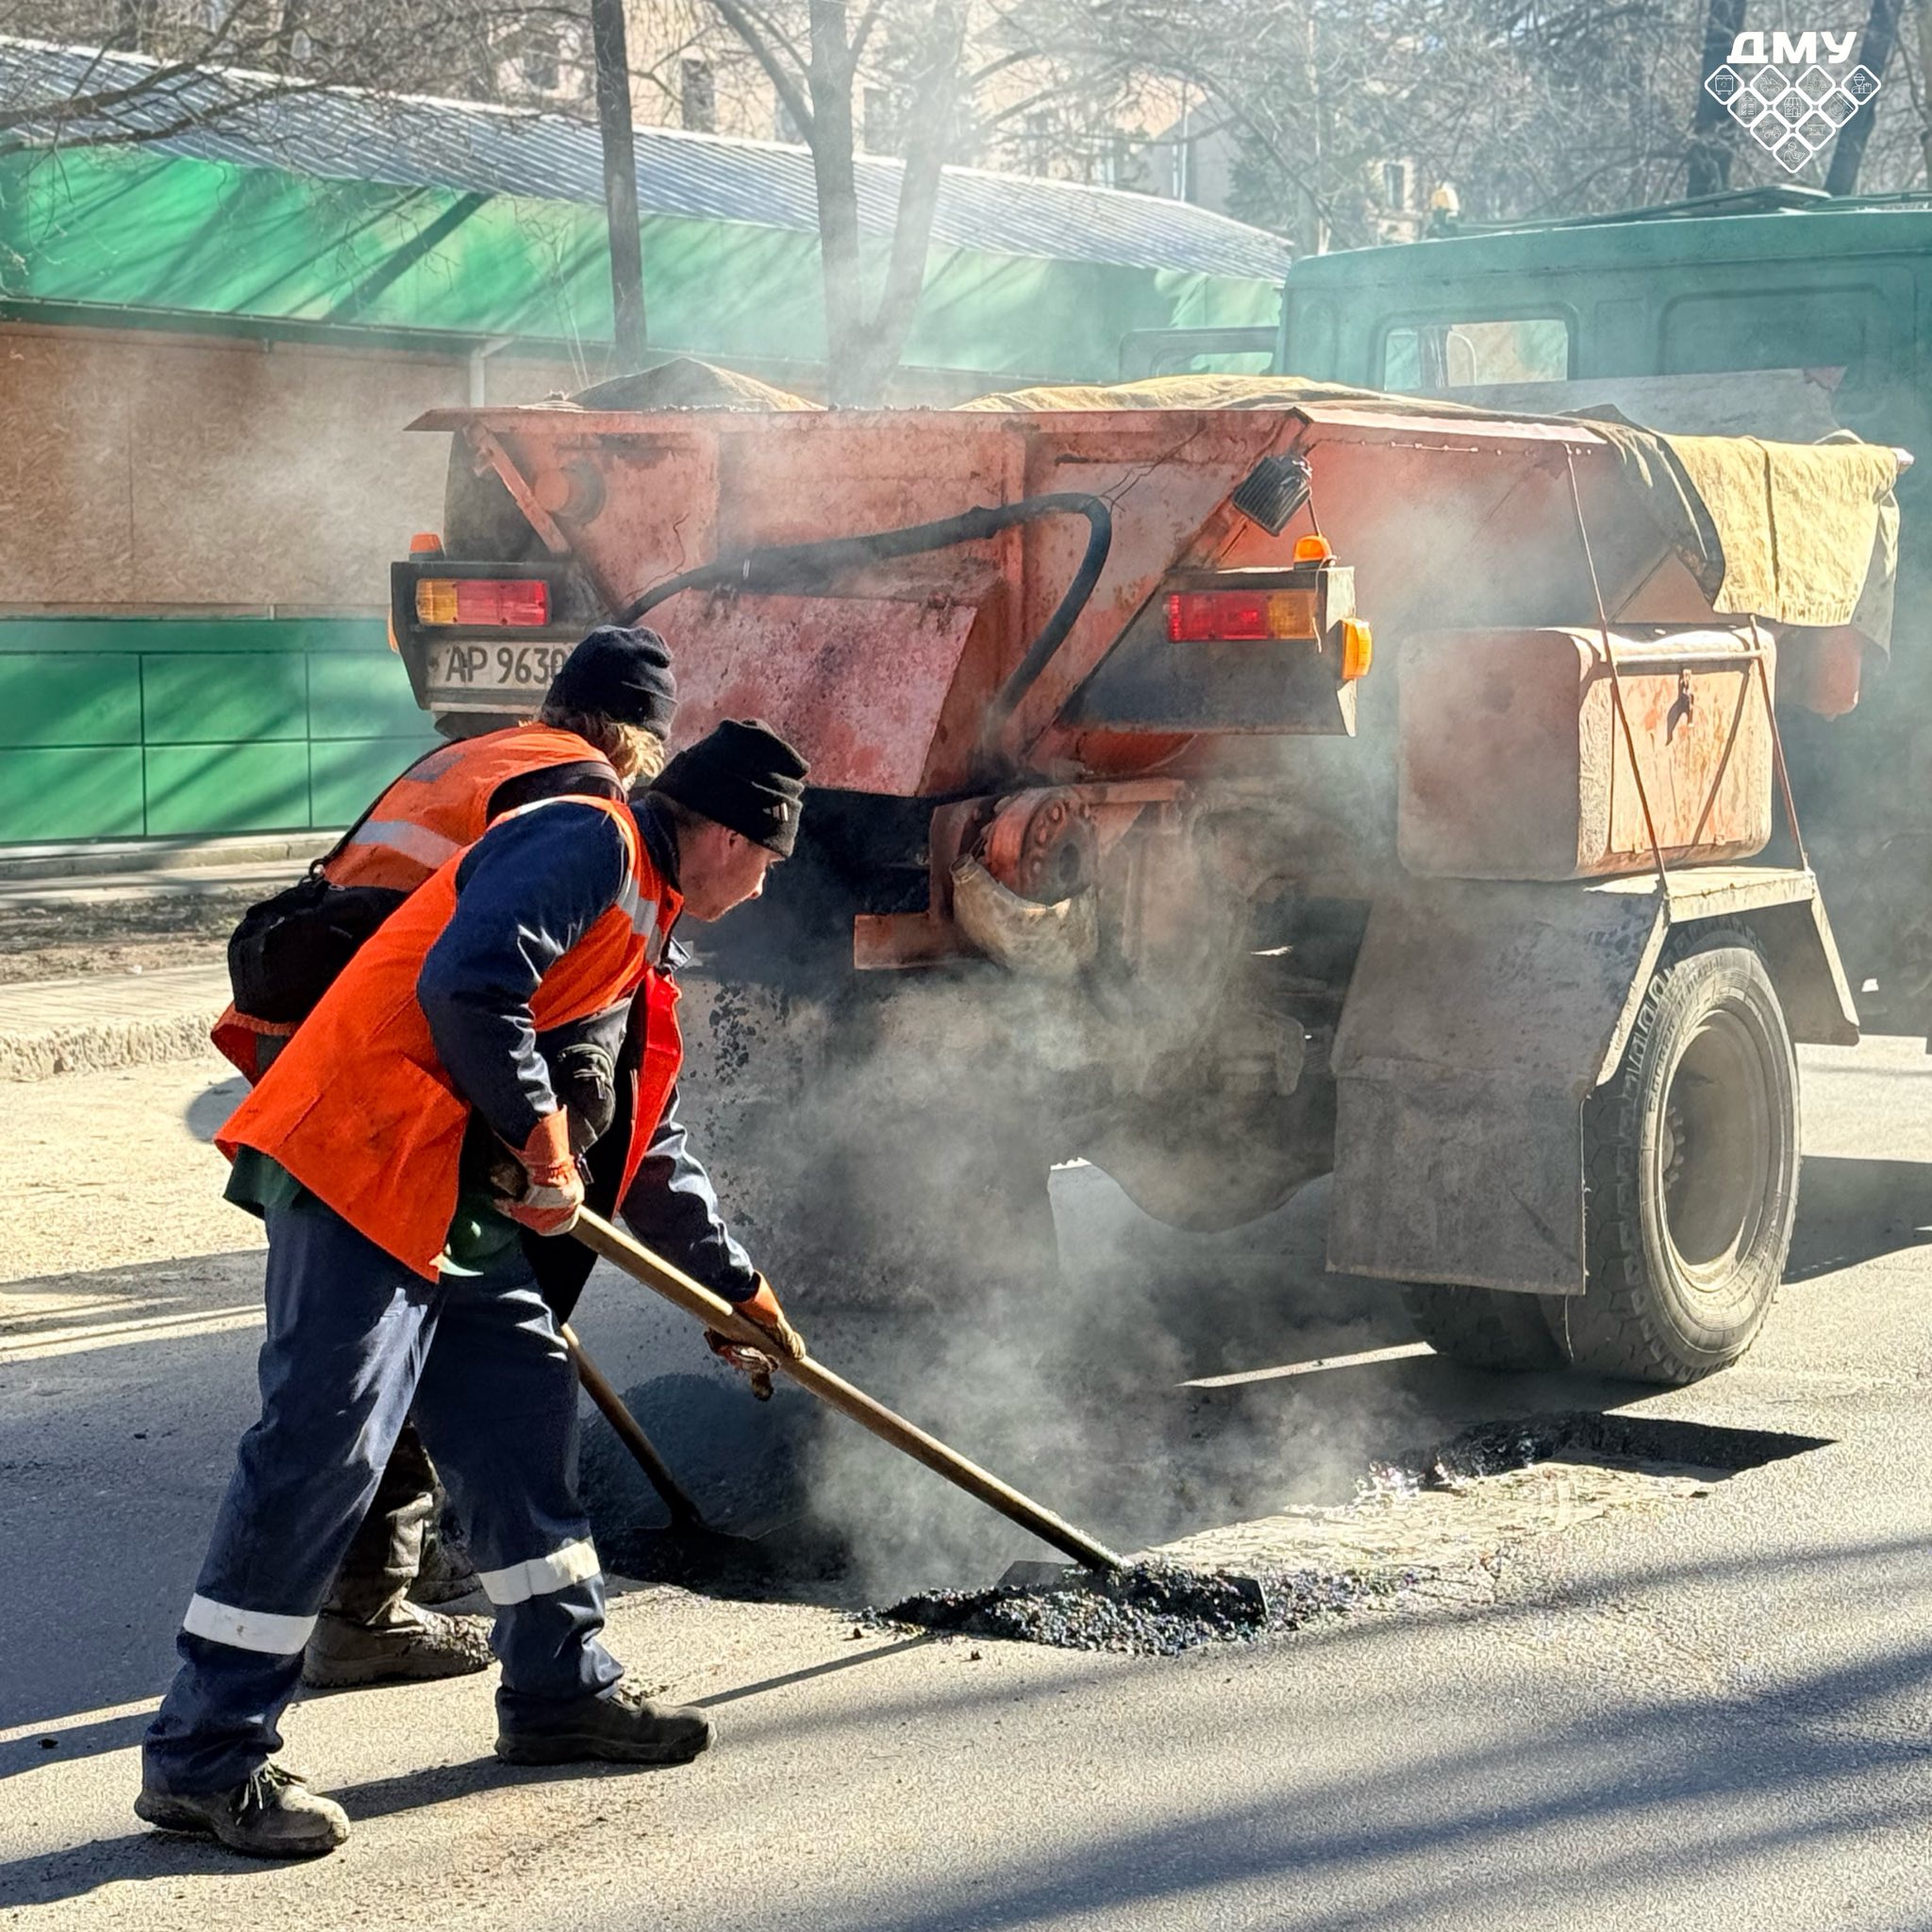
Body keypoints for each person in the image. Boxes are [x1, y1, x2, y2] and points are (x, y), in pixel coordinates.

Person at [138, 719, 810, 1859]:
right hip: (359, 1158)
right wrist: (544, 1145)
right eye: (767, 860)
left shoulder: (641, 933)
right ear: (728, 834)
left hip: (447, 1199)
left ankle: (559, 1688)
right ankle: (205, 1755)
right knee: (324, 1442)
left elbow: (645, 1146)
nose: (763, 887)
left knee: (519, 1405)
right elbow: (468, 980)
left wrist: (734, 1290)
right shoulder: (586, 838)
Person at [211, 625, 681, 1695]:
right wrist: (546, 1140)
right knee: (371, 1365)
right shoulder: (579, 802)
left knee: (409, 1351)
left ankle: (390, 1586)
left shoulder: (471, 756)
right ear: (637, 740)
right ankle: (360, 1612)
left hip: (323, 1044)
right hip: (389, 1079)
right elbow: (499, 981)